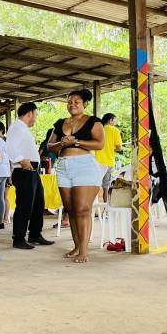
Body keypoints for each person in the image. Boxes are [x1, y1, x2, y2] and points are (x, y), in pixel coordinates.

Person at [47, 90, 105, 263]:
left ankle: (84, 251)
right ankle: (77, 246)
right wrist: (60, 143)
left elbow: (100, 144)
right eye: (69, 101)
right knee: (70, 209)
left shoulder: (93, 121)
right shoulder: (59, 123)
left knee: (82, 209)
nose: (72, 104)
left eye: (76, 102)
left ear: (84, 104)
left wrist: (76, 142)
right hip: (63, 167)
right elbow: (50, 146)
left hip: (84, 165)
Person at [5, 102, 54, 250]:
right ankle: (18, 238)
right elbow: (10, 146)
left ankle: (35, 234)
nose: (36, 118)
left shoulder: (23, 128)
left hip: (32, 171)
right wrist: (21, 159)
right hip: (24, 170)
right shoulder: (16, 127)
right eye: (36, 114)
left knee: (38, 203)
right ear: (30, 113)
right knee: (24, 205)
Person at [95, 113, 123, 203]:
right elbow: (119, 148)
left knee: (95, 185)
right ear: (110, 120)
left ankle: (94, 207)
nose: (115, 122)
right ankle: (105, 206)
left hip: (97, 161)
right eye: (115, 120)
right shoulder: (114, 130)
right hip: (109, 161)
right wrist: (112, 147)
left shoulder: (98, 129)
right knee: (106, 185)